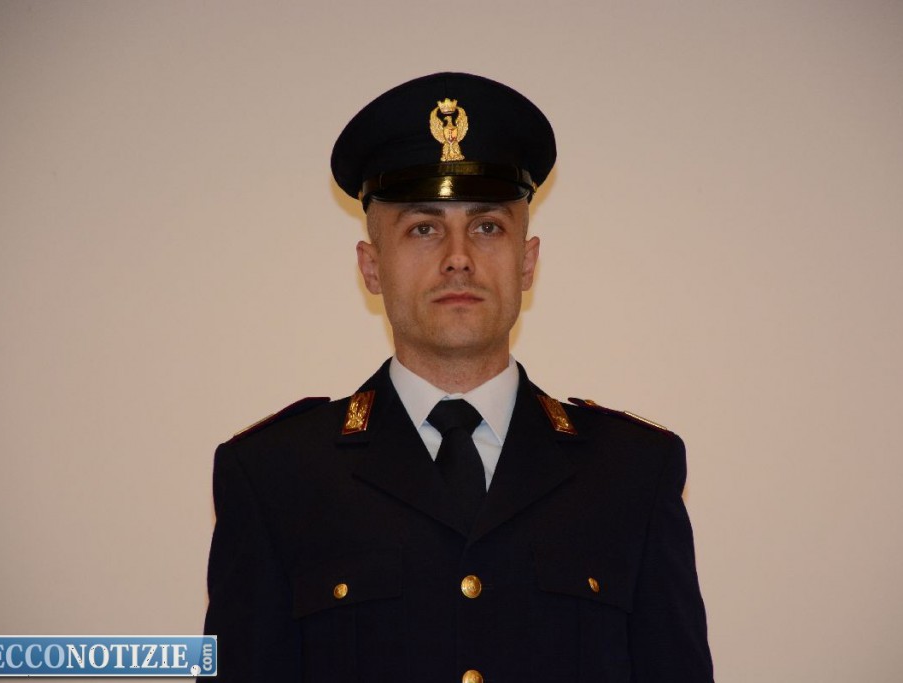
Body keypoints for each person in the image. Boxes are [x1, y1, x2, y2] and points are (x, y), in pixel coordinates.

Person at [202, 72, 713, 683]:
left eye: (487, 226)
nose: (458, 257)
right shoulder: (275, 477)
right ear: (371, 267)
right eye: (423, 228)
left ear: (527, 262)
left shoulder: (633, 473)